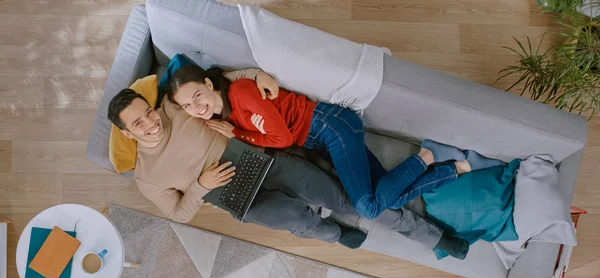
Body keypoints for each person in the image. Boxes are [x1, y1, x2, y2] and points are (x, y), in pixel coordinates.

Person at [108, 68, 469, 258]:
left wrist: (257, 75)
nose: (151, 123)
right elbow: (177, 215)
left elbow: (220, 83)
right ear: (127, 134)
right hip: (239, 199)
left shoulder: (178, 104)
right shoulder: (147, 177)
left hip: (267, 161)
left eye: (148, 112)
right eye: (138, 123)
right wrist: (201, 186)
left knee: (352, 201)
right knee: (302, 222)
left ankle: (432, 236)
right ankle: (335, 234)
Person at [167, 65, 486, 222]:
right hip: (322, 141)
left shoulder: (241, 93)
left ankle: (425, 157)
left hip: (331, 126)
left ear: (208, 84)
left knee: (369, 207)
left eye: (197, 96)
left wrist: (238, 135)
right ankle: (451, 169)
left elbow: (283, 138)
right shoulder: (225, 116)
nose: (196, 107)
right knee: (387, 198)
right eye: (187, 106)